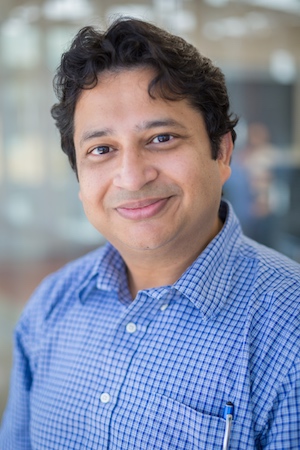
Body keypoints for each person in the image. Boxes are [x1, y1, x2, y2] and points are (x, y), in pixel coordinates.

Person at [0, 17, 299, 450]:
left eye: (161, 138)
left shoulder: (288, 330)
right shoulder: (51, 306)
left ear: (221, 151)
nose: (132, 177)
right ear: (80, 178)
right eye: (101, 150)